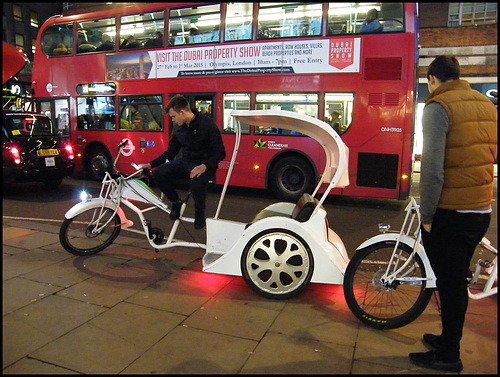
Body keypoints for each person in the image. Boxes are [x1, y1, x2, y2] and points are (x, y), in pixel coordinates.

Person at [408, 55, 497, 372]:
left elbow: (431, 170)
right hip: (480, 208)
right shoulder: (486, 106)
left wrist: (428, 217)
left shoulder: (438, 107)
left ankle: (449, 356)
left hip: (451, 212)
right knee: (454, 279)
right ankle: (447, 340)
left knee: (451, 284)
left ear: (432, 78)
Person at [137, 95, 226, 229]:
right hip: (185, 163)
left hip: (204, 164)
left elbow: (220, 153)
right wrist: (151, 164)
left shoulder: (208, 124)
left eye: (173, 117)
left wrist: (204, 166)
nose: (172, 120)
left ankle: (199, 213)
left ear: (182, 112)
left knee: (196, 182)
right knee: (159, 173)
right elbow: (171, 152)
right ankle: (175, 202)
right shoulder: (179, 128)